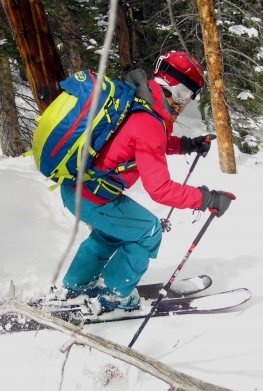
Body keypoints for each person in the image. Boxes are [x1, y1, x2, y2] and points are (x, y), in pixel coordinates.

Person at [58, 51, 235, 312]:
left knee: (110, 233)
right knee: (147, 231)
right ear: (176, 88)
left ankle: (76, 285)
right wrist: (206, 199)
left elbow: (141, 144)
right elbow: (160, 189)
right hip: (93, 195)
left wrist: (185, 145)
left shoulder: (140, 101)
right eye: (188, 94)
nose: (186, 102)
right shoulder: (149, 120)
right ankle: (117, 295)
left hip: (80, 188)